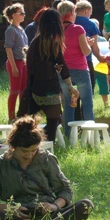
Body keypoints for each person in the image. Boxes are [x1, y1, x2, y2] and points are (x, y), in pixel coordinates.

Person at [0, 116, 94, 220]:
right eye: (24, 151)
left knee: (85, 205)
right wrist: (9, 209)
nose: (29, 155)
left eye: (33, 150)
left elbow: (65, 190)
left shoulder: (46, 158)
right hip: (15, 215)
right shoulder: (0, 164)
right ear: (13, 147)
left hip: (46, 213)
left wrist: (53, 206)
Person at [25, 9, 79, 141]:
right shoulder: (51, 42)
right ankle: (43, 145)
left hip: (34, 88)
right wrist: (71, 86)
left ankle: (36, 141)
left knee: (48, 122)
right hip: (49, 87)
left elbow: (33, 67)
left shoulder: (35, 42)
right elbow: (62, 64)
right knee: (55, 121)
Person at [58, 0, 94, 133]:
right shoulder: (78, 29)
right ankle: (91, 132)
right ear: (71, 13)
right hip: (80, 69)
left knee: (68, 105)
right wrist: (88, 44)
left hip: (64, 72)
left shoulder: (57, 31)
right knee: (87, 103)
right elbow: (85, 51)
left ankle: (69, 134)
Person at [3, 3, 29, 122]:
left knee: (23, 90)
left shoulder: (21, 29)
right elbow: (8, 48)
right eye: (21, 13)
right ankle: (11, 116)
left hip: (23, 62)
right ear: (13, 15)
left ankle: (22, 114)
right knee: (15, 90)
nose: (23, 15)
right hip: (15, 62)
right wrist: (14, 67)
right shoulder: (10, 30)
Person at [90, 18, 110, 108]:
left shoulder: (102, 40)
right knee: (90, 85)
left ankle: (106, 104)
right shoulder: (86, 39)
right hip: (90, 65)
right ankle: (90, 104)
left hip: (101, 65)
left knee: (103, 84)